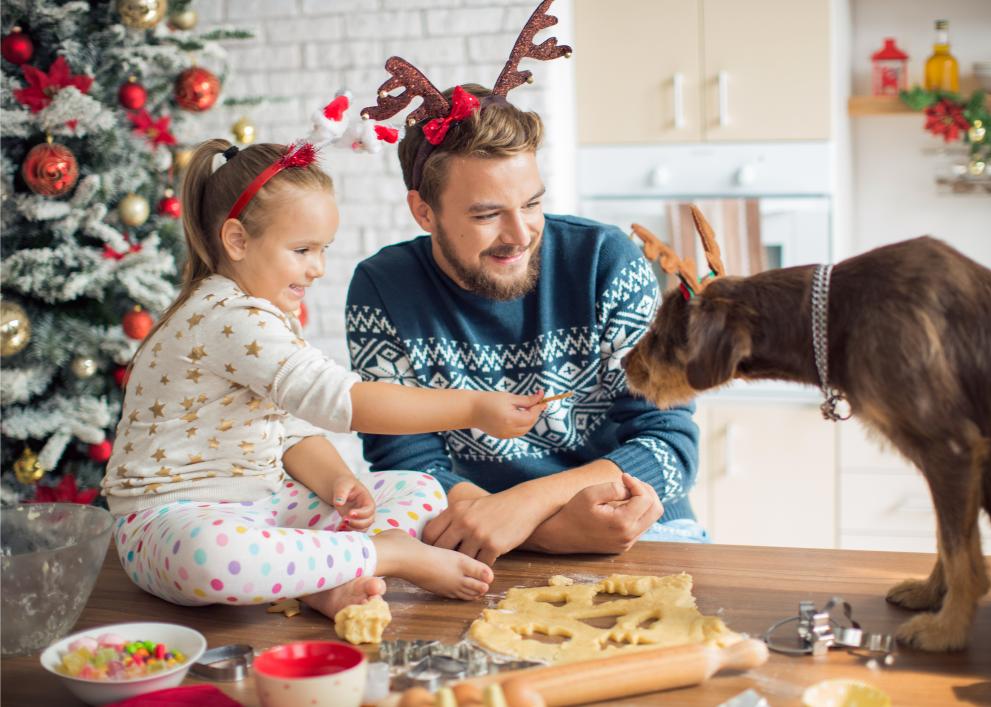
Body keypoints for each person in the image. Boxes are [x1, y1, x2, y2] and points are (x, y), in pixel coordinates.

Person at [101, 138, 545, 618]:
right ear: (237, 240)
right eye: (302, 250)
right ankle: (385, 554)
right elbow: (342, 401)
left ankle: (323, 581)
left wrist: (338, 481)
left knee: (420, 490)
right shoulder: (228, 316)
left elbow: (290, 428)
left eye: (323, 249)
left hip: (265, 504)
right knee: (211, 557)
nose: (317, 269)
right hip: (171, 521)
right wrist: (473, 408)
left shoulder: (265, 315)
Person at [346, 83, 704, 567]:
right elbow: (405, 464)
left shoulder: (605, 260)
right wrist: (545, 535)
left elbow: (668, 442)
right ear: (423, 211)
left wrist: (528, 506)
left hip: (636, 527)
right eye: (488, 214)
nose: (520, 236)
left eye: (532, 204)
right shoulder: (382, 289)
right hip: (477, 543)